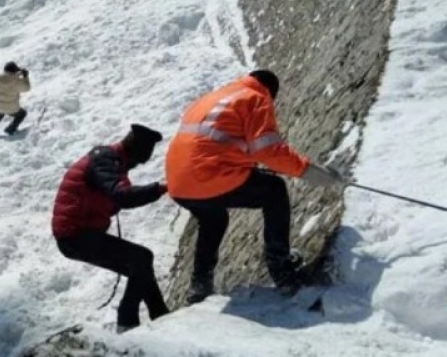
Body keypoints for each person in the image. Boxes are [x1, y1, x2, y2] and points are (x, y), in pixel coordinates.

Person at [165, 70, 345, 305]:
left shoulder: (212, 98)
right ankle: (282, 270)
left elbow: (213, 143)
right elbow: (267, 150)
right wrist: (309, 172)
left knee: (213, 220)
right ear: (270, 91)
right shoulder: (256, 98)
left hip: (178, 183)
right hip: (209, 176)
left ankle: (199, 285)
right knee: (274, 191)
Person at [52, 124, 170, 333]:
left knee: (141, 268)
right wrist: (161, 188)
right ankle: (127, 321)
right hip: (75, 235)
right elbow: (122, 195)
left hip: (79, 233)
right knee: (141, 259)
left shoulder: (110, 160)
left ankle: (161, 317)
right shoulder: (105, 161)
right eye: (137, 161)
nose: (134, 167)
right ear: (133, 152)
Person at [0, 62, 31, 139]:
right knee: (22, 114)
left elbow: (6, 79)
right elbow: (27, 88)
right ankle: (10, 129)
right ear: (14, 71)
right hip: (11, 109)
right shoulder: (17, 81)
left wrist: (16, 75)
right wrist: (25, 77)